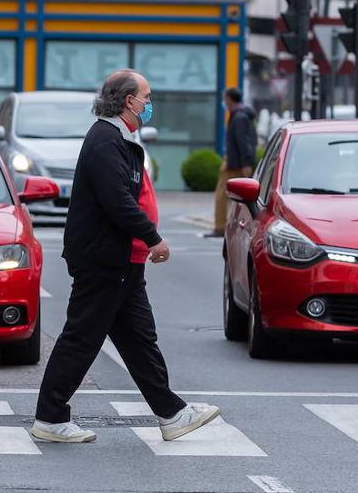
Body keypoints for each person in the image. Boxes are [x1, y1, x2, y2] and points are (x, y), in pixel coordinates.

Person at [32, 70, 220, 443]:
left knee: (138, 338)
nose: (150, 104)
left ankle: (171, 412)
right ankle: (50, 418)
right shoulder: (105, 141)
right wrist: (154, 238)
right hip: (104, 260)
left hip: (120, 261)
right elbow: (117, 201)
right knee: (81, 338)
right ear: (127, 101)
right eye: (146, 97)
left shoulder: (118, 139)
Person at [206, 87, 257, 238]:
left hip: (236, 164)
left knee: (222, 195)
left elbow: (243, 141)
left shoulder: (239, 116)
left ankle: (220, 227)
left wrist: (245, 163)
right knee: (235, 196)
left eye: (225, 98)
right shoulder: (241, 114)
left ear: (229, 99)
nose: (224, 101)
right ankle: (227, 226)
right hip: (236, 162)